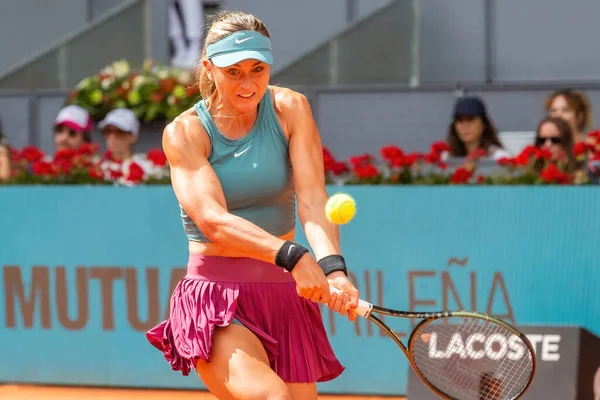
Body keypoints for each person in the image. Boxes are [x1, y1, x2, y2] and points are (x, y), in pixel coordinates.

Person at [146, 10, 360, 400]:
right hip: (217, 299)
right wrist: (293, 256)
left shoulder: (290, 109)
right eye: (233, 72)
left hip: (284, 298)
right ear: (209, 68)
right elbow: (214, 221)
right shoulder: (185, 133)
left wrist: (333, 269)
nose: (248, 83)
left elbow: (312, 197)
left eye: (257, 69)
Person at [445, 96, 511, 160]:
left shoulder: (498, 157)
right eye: (460, 120)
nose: (464, 126)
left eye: (470, 119)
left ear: (483, 124)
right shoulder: (446, 157)